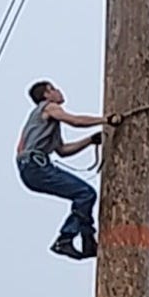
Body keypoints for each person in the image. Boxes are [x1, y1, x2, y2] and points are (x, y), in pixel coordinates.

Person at [16, 81, 106, 260]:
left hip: (32, 168)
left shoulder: (48, 122)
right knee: (85, 194)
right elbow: (75, 121)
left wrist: (90, 140)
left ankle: (87, 241)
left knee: (84, 194)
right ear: (46, 95)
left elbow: (63, 151)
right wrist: (106, 119)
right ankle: (67, 238)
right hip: (35, 165)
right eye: (54, 89)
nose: (59, 91)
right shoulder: (49, 108)